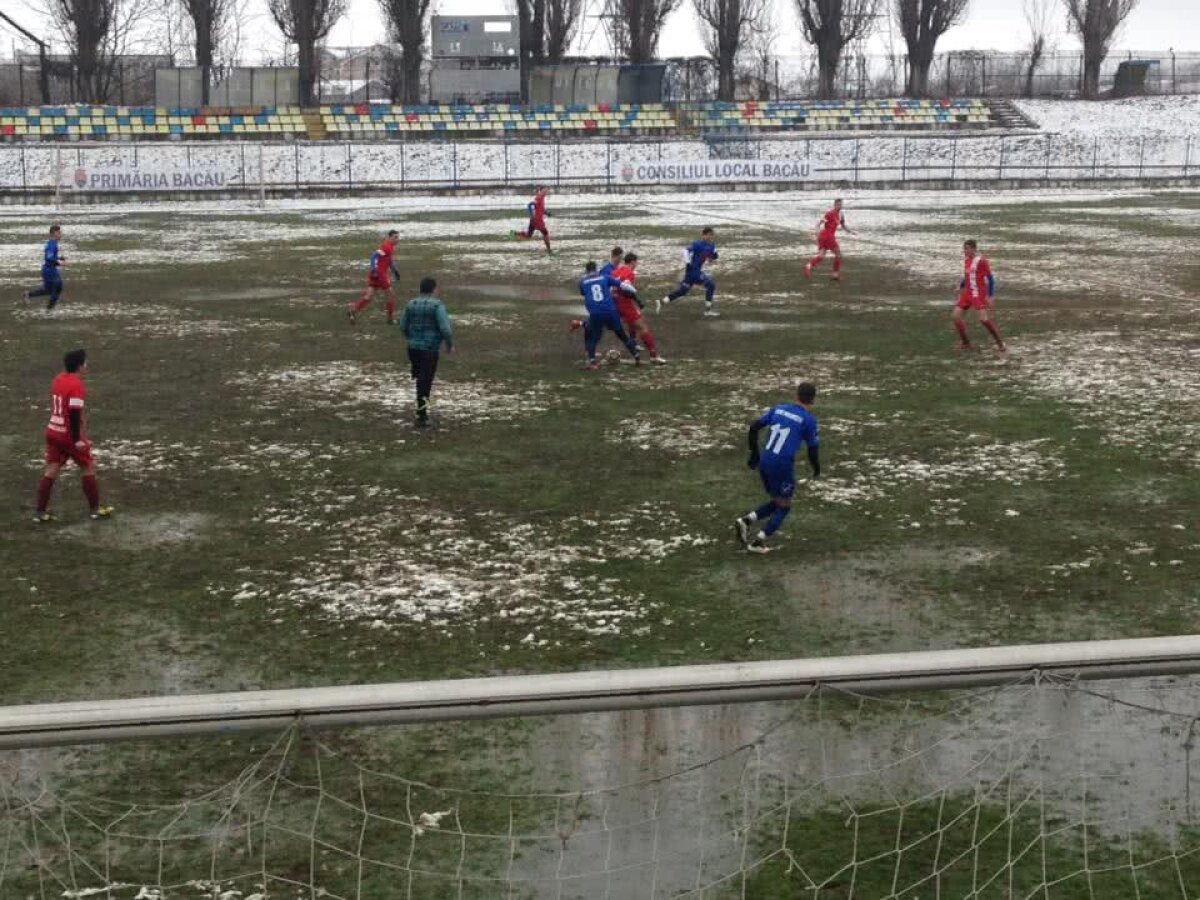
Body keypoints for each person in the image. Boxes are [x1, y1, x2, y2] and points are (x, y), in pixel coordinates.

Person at [735, 382, 820, 554]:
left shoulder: (779, 408)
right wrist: (816, 468)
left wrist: (754, 453)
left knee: (778, 500)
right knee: (784, 506)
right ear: (813, 400)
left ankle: (746, 521)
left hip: (766, 460)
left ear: (796, 395)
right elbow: (813, 449)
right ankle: (758, 542)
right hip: (782, 465)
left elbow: (754, 426)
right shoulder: (809, 420)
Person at [34, 348, 113, 523]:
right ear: (79, 365)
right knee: (88, 467)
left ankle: (40, 512)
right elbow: (74, 412)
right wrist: (77, 439)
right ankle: (95, 509)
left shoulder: (58, 379)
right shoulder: (76, 385)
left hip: (53, 430)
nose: (87, 365)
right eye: (85, 362)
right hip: (68, 434)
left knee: (51, 469)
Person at [399, 277, 454, 427]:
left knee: (420, 380)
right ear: (434, 289)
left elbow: (403, 325)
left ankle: (421, 411)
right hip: (429, 349)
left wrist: (410, 338)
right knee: (425, 382)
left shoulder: (411, 304)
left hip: (413, 349)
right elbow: (445, 328)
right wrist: (449, 344)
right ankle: (422, 415)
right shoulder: (437, 306)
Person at [578, 261, 639, 370]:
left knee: (593, 337)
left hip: (595, 312)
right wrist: (634, 291)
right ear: (596, 269)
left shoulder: (583, 282)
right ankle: (636, 356)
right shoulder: (605, 277)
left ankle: (592, 362)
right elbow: (623, 285)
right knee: (622, 335)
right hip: (610, 310)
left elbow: (583, 293)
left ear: (586, 271)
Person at [953, 239, 1006, 355]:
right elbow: (967, 276)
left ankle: (1000, 343)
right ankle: (966, 342)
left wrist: (991, 296)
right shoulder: (967, 260)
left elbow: (991, 280)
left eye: (967, 248)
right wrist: (960, 286)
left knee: (983, 319)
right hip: (967, 293)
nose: (965, 251)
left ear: (974, 249)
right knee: (956, 317)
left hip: (978, 293)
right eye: (964, 249)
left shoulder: (982, 261)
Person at [613, 252, 666, 365]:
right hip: (625, 303)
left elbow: (611, 284)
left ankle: (633, 344)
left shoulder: (617, 270)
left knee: (630, 324)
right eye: (636, 262)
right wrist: (635, 295)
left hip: (615, 302)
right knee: (643, 328)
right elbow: (625, 286)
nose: (637, 264)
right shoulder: (630, 272)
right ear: (632, 262)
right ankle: (654, 356)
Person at [659, 227, 720, 317]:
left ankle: (661, 302)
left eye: (711, 235)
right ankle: (707, 311)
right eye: (708, 235)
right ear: (703, 235)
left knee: (683, 291)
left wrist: (713, 257)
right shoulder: (697, 244)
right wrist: (688, 262)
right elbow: (685, 251)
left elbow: (711, 257)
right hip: (693, 271)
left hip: (693, 273)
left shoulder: (711, 246)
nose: (710, 237)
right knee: (711, 285)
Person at [348, 230, 400, 326]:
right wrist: (374, 269)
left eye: (398, 237)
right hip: (380, 274)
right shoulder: (386, 246)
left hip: (375, 275)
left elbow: (388, 260)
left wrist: (395, 270)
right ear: (389, 237)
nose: (397, 239)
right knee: (390, 295)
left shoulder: (390, 247)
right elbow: (373, 256)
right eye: (395, 237)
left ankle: (353, 310)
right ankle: (390, 319)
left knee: (368, 296)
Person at [805, 199, 856, 281]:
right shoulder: (830, 213)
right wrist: (816, 233)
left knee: (821, 256)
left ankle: (808, 266)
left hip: (826, 236)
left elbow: (843, 225)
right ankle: (835, 275)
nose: (839, 206)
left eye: (840, 205)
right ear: (834, 205)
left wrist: (850, 231)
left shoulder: (841, 214)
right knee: (838, 254)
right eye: (837, 205)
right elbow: (819, 223)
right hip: (827, 236)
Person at [23, 224, 66, 311]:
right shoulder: (52, 244)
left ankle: (28, 295)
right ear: (54, 233)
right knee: (58, 286)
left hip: (47, 269)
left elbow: (49, 257)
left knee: (48, 290)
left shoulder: (51, 243)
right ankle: (49, 310)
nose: (61, 235)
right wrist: (59, 262)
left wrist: (59, 258)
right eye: (59, 233)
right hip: (50, 270)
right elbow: (49, 258)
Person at [511, 186, 553, 255]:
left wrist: (547, 213)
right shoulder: (539, 197)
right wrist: (532, 215)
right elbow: (530, 205)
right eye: (545, 190)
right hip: (537, 220)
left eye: (547, 191)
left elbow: (540, 209)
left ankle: (514, 233)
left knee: (529, 235)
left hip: (535, 220)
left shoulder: (542, 198)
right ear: (541, 190)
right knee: (545, 233)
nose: (546, 192)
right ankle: (549, 251)